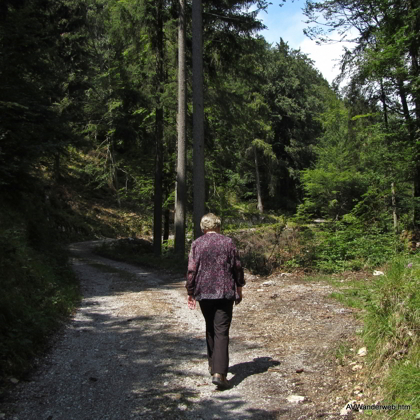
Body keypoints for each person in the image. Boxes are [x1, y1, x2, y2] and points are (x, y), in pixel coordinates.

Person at [186, 213, 245, 389]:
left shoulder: (197, 244)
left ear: (203, 228)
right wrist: (239, 287)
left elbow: (191, 270)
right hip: (224, 292)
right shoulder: (227, 242)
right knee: (222, 330)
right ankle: (219, 374)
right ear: (218, 226)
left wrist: (190, 291)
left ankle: (213, 366)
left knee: (210, 327)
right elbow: (237, 266)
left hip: (204, 292)